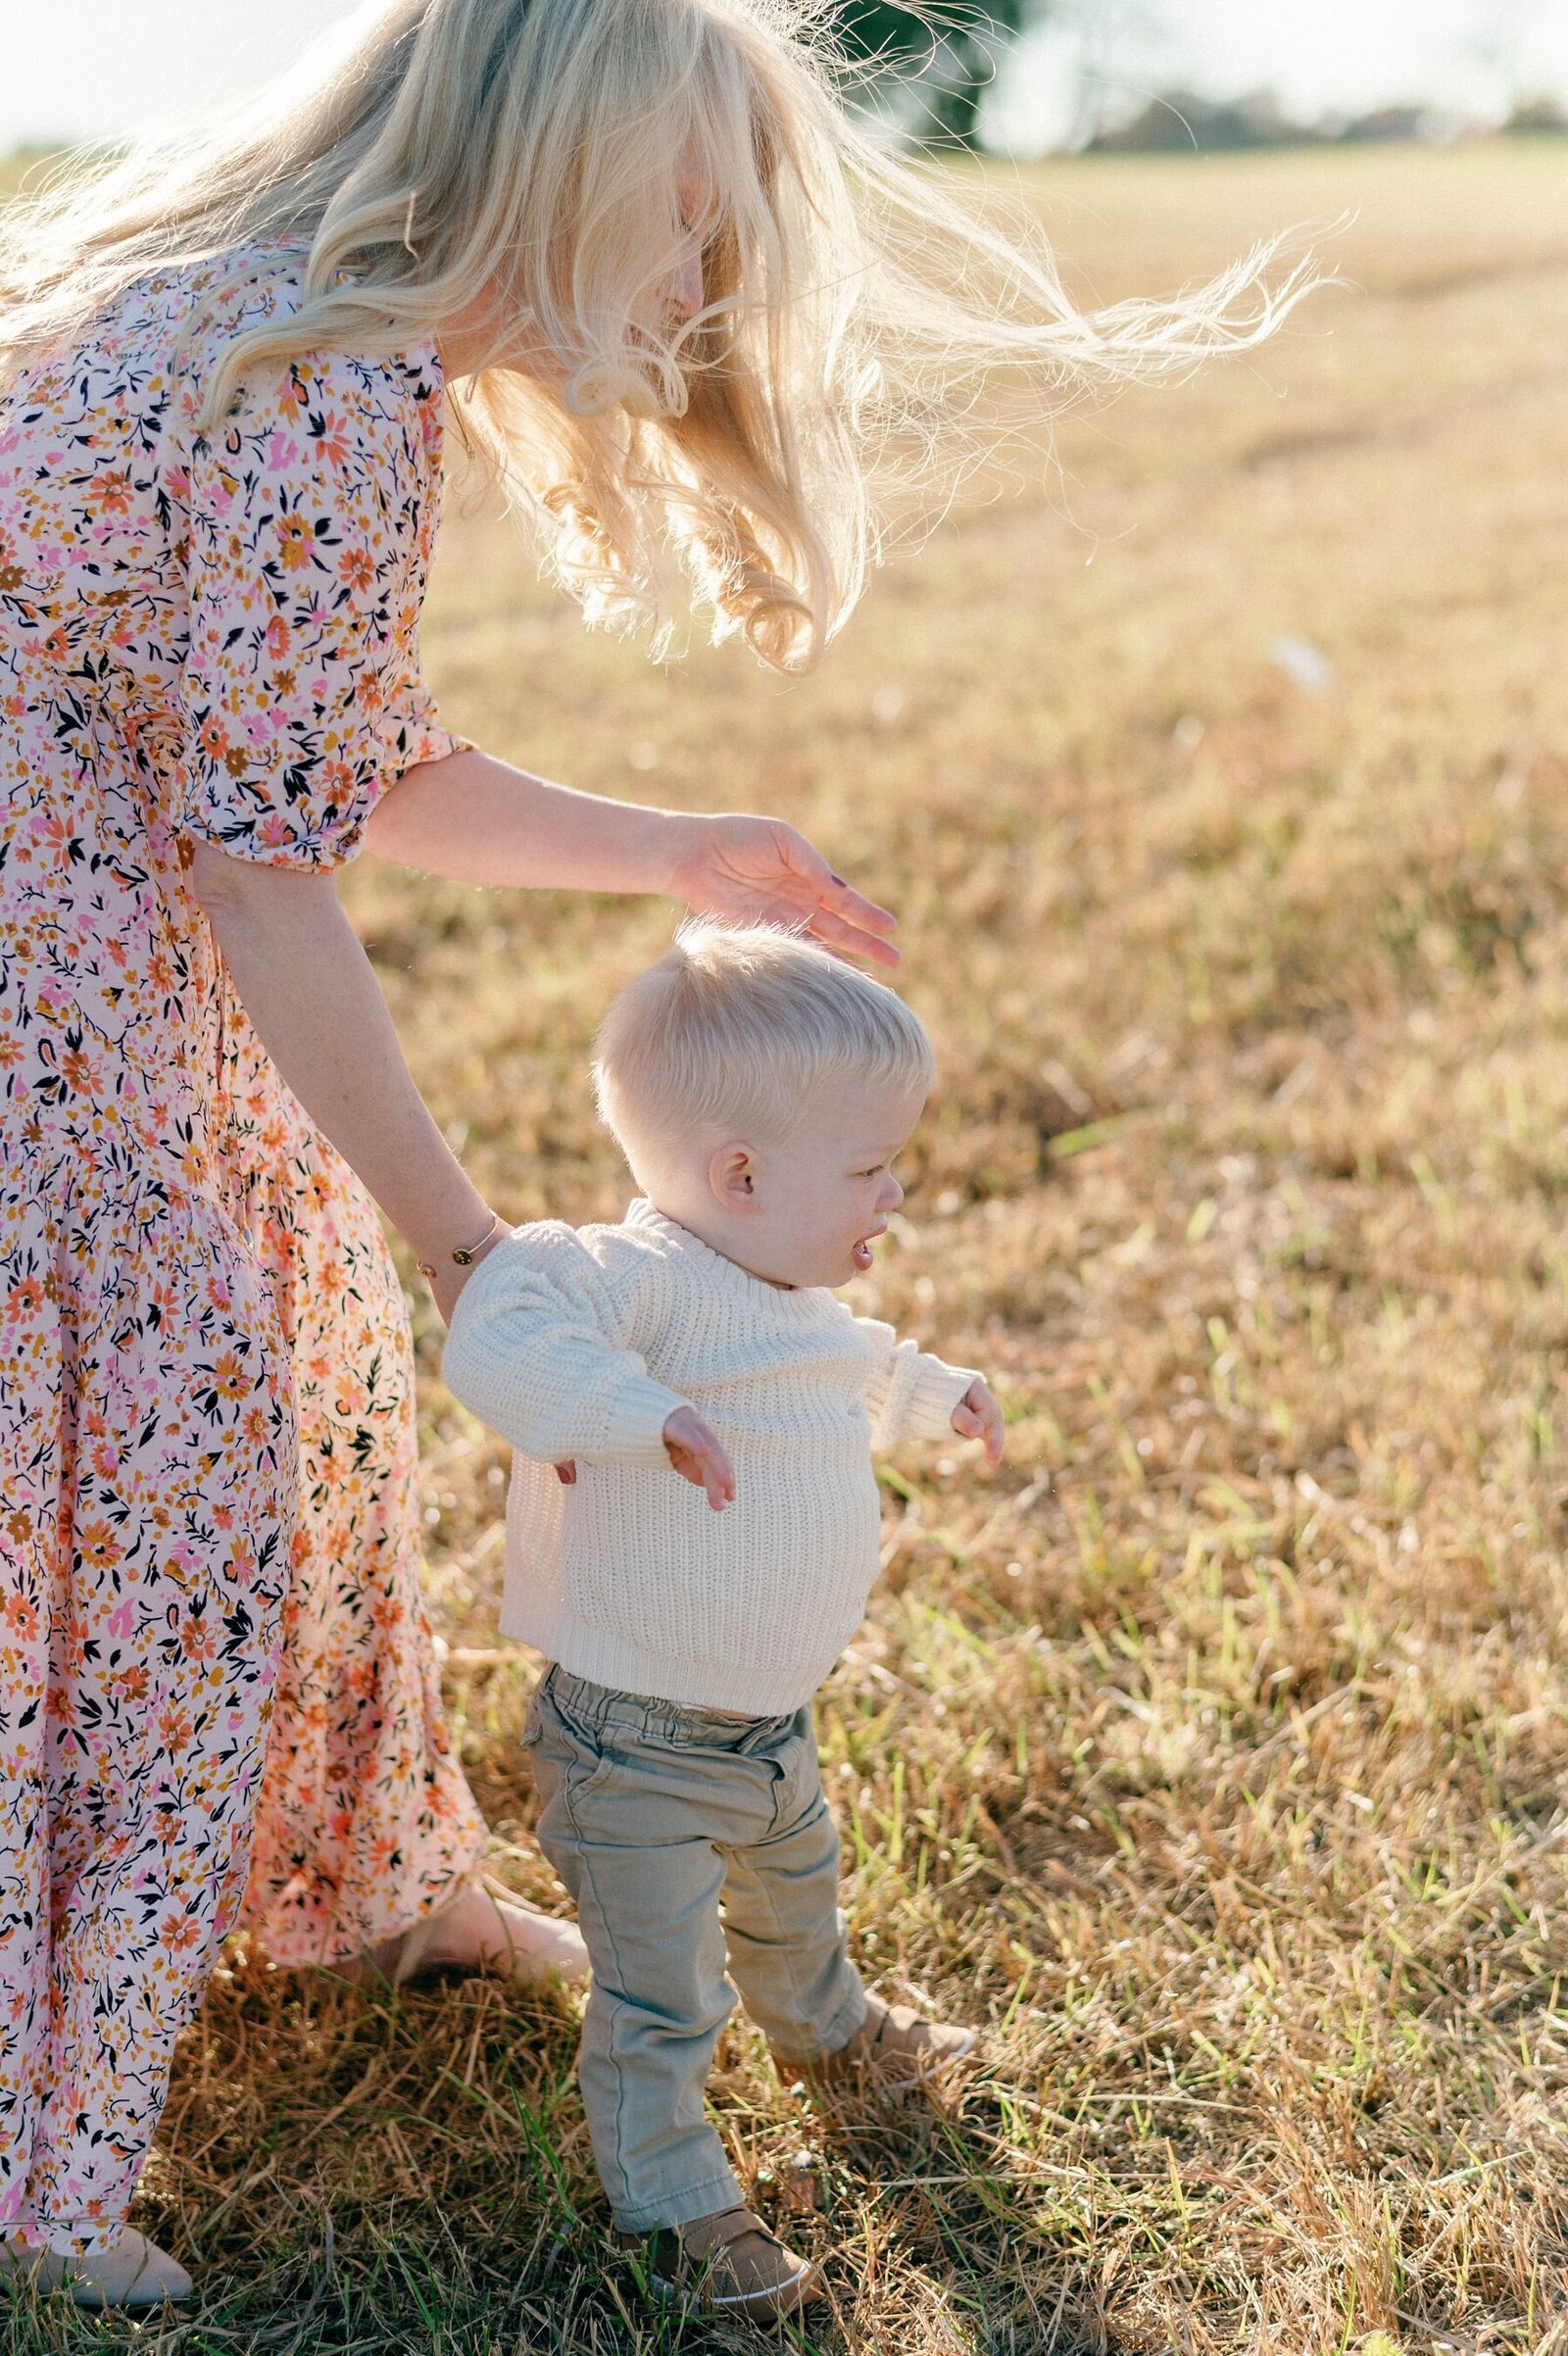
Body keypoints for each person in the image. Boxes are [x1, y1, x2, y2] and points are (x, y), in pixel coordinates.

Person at [0, 0, 1314, 2309]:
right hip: (63, 992)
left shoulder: (278, 317)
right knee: (176, 1468)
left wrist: (677, 846)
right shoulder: (319, 378)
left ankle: (368, 1876)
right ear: (569, 147)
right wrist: (466, 1240)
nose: (703, 250)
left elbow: (330, 758)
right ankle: (51, 2132)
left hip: (88, 950)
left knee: (263, 1398)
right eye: (688, 192)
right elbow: (260, 861)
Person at [441, 920, 1005, 2320]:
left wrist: (932, 1393)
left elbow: (849, 1361)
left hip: (766, 1727)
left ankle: (833, 2036)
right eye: (871, 1168)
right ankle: (676, 2193)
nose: (896, 1192)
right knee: (662, 1990)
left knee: (794, 1909)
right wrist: (640, 1411)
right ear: (739, 1175)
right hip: (633, 1746)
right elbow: (506, 1318)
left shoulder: (789, 1291)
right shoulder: (635, 1282)